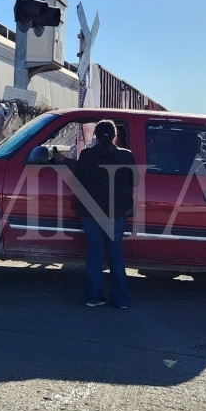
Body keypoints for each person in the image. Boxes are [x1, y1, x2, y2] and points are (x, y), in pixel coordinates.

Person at [74, 119, 137, 309]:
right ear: (115, 135)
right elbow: (133, 181)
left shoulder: (85, 155)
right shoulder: (126, 156)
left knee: (95, 253)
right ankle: (121, 300)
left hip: (90, 211)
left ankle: (93, 298)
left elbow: (78, 182)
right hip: (116, 212)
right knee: (116, 254)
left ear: (95, 135)